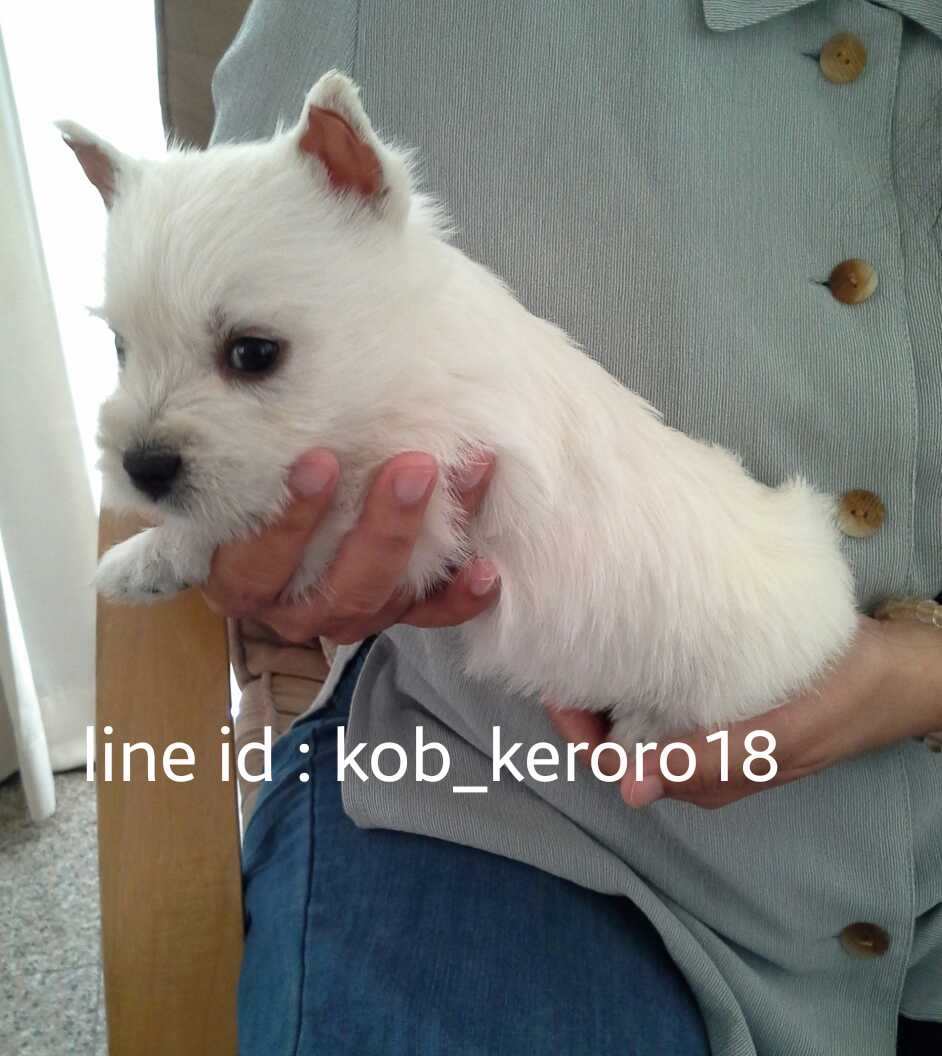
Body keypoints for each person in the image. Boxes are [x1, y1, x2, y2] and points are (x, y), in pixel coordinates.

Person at [207, 1, 942, 1052]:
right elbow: (203, 396)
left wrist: (920, 673)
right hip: (508, 805)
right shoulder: (369, 24)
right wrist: (241, 542)